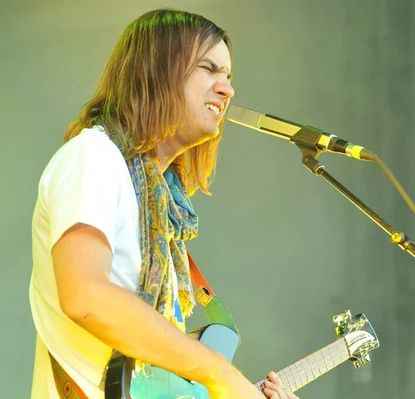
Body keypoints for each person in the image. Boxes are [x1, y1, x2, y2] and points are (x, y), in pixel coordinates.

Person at [29, 8, 298, 399]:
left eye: (229, 76)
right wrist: (220, 374)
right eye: (209, 69)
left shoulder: (161, 209)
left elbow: (157, 374)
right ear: (158, 70)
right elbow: (84, 296)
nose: (227, 89)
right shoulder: (94, 156)